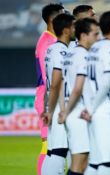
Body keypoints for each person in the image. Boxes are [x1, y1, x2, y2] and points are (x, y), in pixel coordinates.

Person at [81, 10, 110, 175]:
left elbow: (83, 80)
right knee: (107, 161)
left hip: (93, 110)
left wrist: (89, 106)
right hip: (107, 110)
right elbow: (106, 83)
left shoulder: (93, 49)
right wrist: (91, 108)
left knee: (95, 162)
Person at [58, 18, 100, 175]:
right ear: (83, 35)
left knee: (82, 164)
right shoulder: (83, 55)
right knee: (79, 163)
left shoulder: (70, 54)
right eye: (94, 34)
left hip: (73, 112)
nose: (97, 38)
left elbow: (61, 83)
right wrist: (67, 111)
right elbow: (77, 88)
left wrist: (63, 109)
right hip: (79, 113)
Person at [43, 13, 75, 175]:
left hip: (53, 105)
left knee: (53, 150)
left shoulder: (51, 49)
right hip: (59, 106)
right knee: (59, 151)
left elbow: (48, 83)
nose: (76, 29)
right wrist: (57, 109)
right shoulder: (62, 52)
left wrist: (47, 107)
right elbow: (56, 84)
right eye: (73, 26)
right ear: (66, 30)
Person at [34, 3, 64, 175]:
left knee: (55, 145)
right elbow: (50, 78)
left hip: (51, 98)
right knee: (48, 145)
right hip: (47, 99)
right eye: (62, 16)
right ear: (53, 20)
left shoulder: (52, 40)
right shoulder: (47, 42)